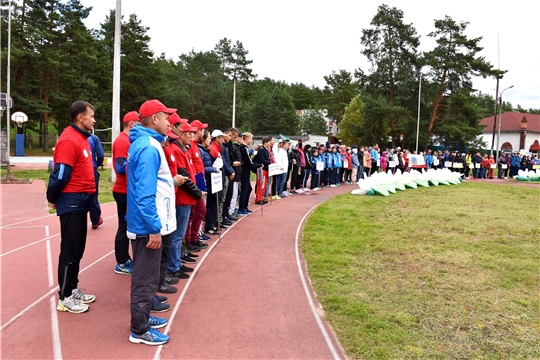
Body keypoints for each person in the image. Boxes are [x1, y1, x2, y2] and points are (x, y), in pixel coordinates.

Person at [126, 99, 186, 345]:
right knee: (145, 278)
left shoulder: (144, 143)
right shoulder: (149, 147)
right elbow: (144, 192)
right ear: (153, 120)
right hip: (146, 226)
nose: (168, 122)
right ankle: (139, 330)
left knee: (147, 276)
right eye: (164, 117)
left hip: (143, 223)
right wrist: (153, 228)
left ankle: (144, 319)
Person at [47, 100, 97, 314]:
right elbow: (60, 174)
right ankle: (65, 296)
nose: (94, 120)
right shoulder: (69, 139)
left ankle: (73, 287)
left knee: (77, 249)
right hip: (72, 201)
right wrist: (52, 196)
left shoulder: (83, 138)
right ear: (80, 118)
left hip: (81, 201)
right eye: (91, 116)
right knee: (69, 250)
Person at [112, 111, 139, 275]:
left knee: (127, 225)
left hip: (127, 189)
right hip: (123, 190)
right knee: (124, 226)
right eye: (138, 123)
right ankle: (121, 261)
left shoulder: (128, 140)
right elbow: (121, 168)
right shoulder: (122, 141)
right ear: (131, 124)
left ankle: (124, 258)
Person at [88, 133, 104, 229]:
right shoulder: (93, 138)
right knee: (93, 195)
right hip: (91, 169)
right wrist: (98, 164)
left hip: (77, 170)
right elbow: (101, 154)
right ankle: (95, 220)